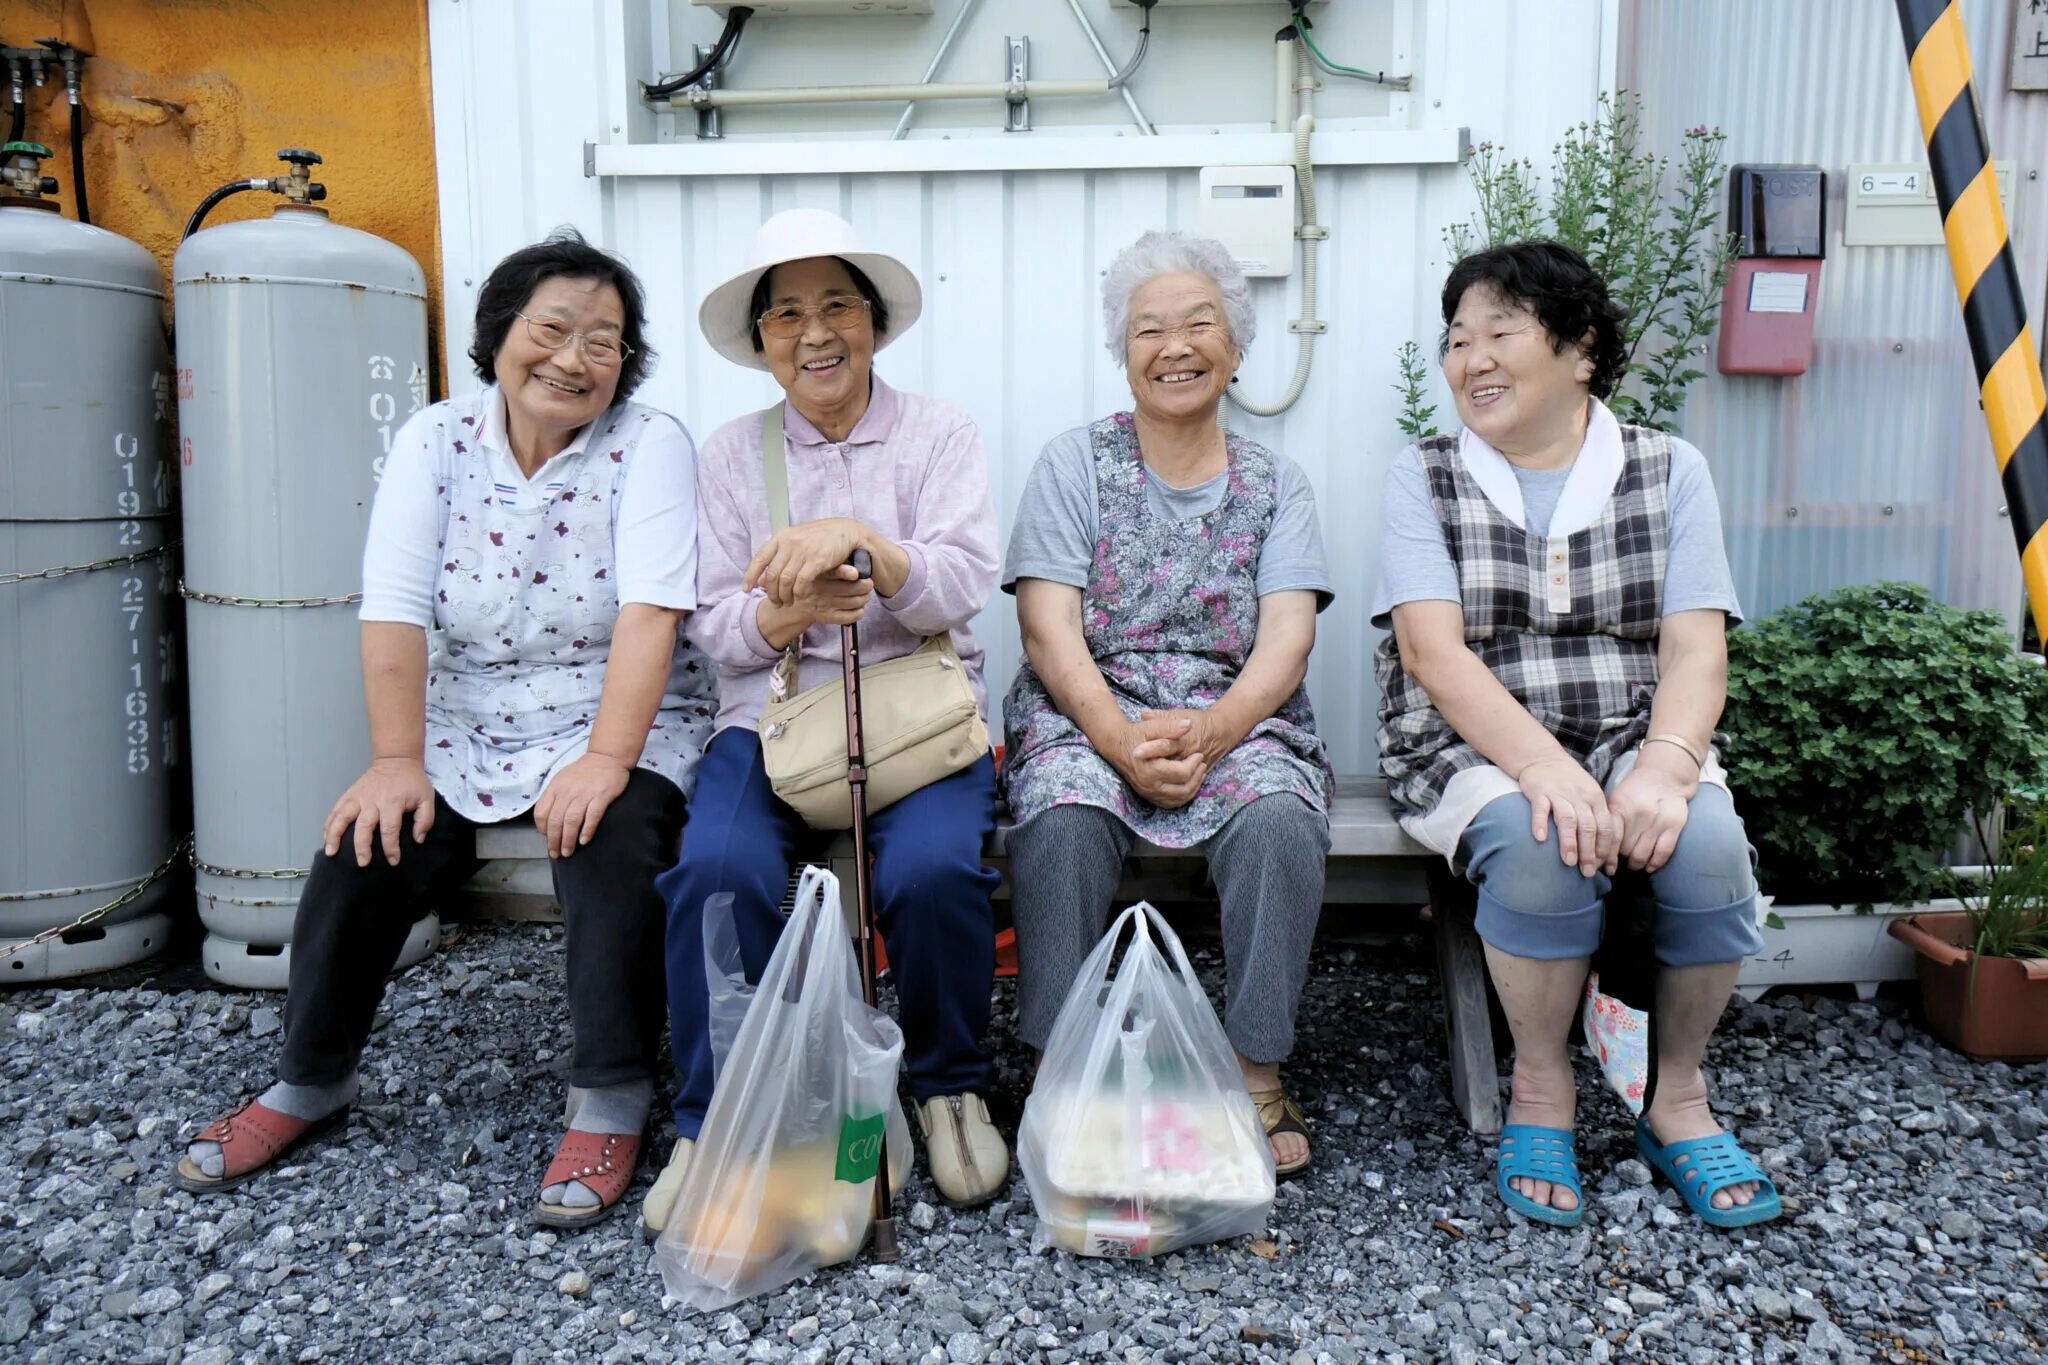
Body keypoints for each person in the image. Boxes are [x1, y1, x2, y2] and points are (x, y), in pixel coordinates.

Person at [175, 232, 715, 1231]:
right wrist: (393, 759)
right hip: (466, 716)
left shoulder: (652, 445)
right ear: (498, 334)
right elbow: (392, 606)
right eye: (551, 329)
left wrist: (604, 758)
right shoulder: (434, 440)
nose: (574, 357)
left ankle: (608, 1095)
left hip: (615, 712)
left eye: (605, 341)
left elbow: (651, 613)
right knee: (366, 838)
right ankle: (310, 1076)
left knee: (610, 832)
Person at [1373, 240, 1781, 1228]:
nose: (1470, 358)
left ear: (1580, 351)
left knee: (1707, 846)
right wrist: (1541, 768)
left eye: (1499, 333)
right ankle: (1541, 1087)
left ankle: (1674, 1096)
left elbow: (1692, 651)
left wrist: (1666, 768)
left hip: (1632, 737)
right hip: (1468, 745)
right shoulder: (1422, 477)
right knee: (1536, 839)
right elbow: (1432, 653)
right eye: (1455, 339)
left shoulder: (1666, 469)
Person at [641, 209, 1006, 1233]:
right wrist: (791, 610)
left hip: (917, 715)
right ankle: (723, 1115)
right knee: (715, 873)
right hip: (774, 717)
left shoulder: (940, 432)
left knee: (934, 872)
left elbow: (965, 579)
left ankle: (947, 1086)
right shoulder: (728, 455)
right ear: (761, 341)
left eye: (837, 305)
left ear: (875, 323)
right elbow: (715, 625)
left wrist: (867, 549)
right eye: (786, 313)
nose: (815, 333)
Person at [1001, 229, 1335, 1181]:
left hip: (1236, 716)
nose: (1176, 346)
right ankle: (1063, 1071)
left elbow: (1288, 637)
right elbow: (1047, 629)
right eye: (1149, 329)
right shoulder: (1076, 463)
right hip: (1088, 710)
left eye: (1200, 324)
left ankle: (1255, 1065)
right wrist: (1116, 737)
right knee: (1060, 814)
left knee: (1279, 817)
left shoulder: (1277, 483)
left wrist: (1216, 728)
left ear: (1237, 345)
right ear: (1123, 350)